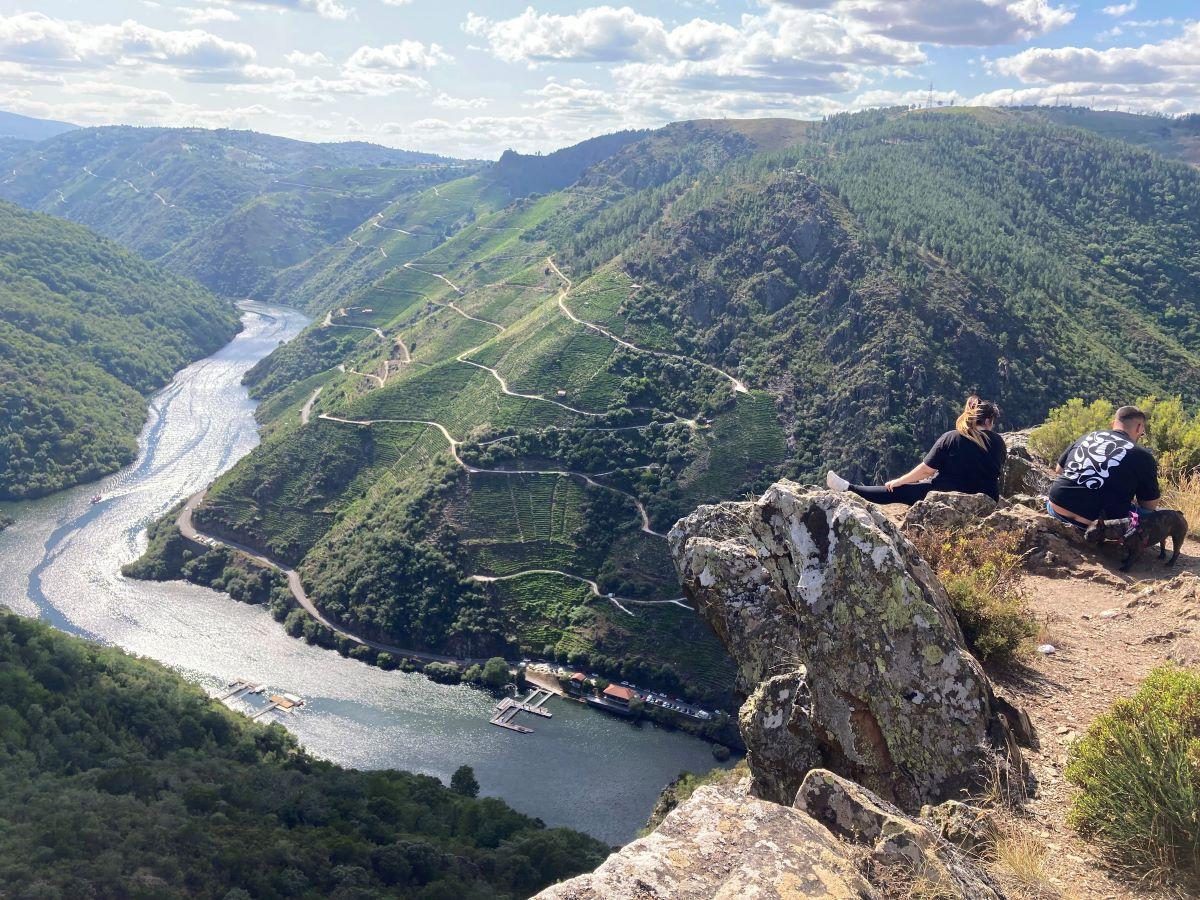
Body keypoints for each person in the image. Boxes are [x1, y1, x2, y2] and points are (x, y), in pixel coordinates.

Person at [826, 396, 1006, 505]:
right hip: (987, 499)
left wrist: (898, 481)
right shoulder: (999, 443)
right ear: (989, 421)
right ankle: (849, 489)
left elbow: (927, 469)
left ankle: (849, 489)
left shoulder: (952, 437)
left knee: (897, 491)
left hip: (947, 496)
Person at [1046, 405, 1159, 528]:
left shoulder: (1088, 436)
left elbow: (1059, 470)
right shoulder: (1143, 456)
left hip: (1056, 508)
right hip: (1098, 527)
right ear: (1139, 428)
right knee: (1150, 516)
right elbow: (1149, 506)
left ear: (1113, 424)